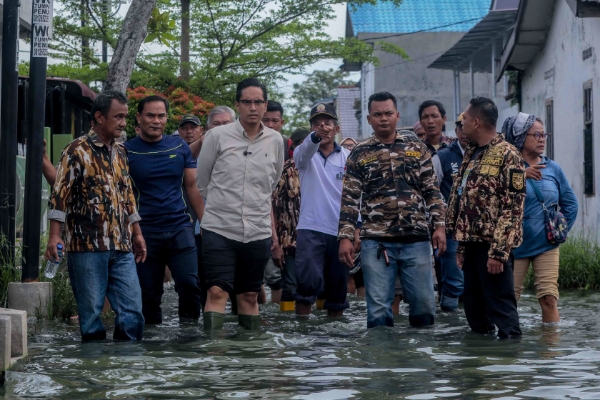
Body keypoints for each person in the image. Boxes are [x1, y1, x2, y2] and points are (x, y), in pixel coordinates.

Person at [338, 92, 446, 328]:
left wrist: (439, 226)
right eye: (377, 115)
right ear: (369, 119)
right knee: (378, 310)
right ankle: (381, 359)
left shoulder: (417, 148)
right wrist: (346, 237)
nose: (383, 119)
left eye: (388, 113)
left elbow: (432, 191)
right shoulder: (359, 153)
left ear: (397, 116)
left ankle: (421, 359)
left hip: (416, 239)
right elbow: (349, 199)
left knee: (424, 307)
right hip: (376, 242)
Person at [46, 90, 145, 341]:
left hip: (121, 246)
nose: (123, 123)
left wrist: (138, 233)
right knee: (90, 317)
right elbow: (59, 195)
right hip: (87, 246)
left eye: (125, 116)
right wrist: (54, 236)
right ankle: (93, 370)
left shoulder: (121, 152)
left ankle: (126, 370)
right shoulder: (76, 150)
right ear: (99, 117)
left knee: (132, 313)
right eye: (118, 117)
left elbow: (128, 196)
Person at [197, 78, 284, 330]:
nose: (253, 107)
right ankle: (213, 355)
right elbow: (203, 181)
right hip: (220, 228)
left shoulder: (275, 140)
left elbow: (272, 182)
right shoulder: (217, 136)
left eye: (258, 102)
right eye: (247, 102)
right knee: (216, 292)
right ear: (238, 104)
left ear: (265, 105)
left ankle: (249, 357)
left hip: (257, 229)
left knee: (248, 295)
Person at [445, 97, 526, 338]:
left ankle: (508, 366)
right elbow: (465, 200)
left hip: (493, 248)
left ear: (477, 122)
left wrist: (499, 252)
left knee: (502, 311)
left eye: (466, 119)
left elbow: (513, 207)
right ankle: (481, 366)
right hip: (470, 245)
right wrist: (460, 246)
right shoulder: (472, 152)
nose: (462, 123)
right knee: (475, 312)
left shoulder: (508, 154)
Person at [124, 96, 204, 325]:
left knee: (190, 284)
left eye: (161, 116)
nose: (156, 121)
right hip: (144, 232)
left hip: (180, 227)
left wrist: (205, 224)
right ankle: (152, 347)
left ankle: (189, 337)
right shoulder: (126, 151)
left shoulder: (179, 146)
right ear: (138, 118)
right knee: (148, 294)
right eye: (150, 115)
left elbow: (192, 187)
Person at [502, 113, 578, 323]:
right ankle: (508, 349)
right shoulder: (506, 168)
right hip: (513, 245)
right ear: (519, 136)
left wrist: (558, 231)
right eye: (536, 134)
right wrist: (519, 176)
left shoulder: (553, 168)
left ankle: (550, 351)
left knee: (549, 299)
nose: (542, 139)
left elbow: (570, 204)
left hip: (546, 244)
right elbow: (493, 199)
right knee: (509, 300)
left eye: (544, 134)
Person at [293, 103, 352, 317]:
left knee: (338, 291)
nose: (323, 128)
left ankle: (335, 339)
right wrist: (315, 138)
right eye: (317, 125)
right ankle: (302, 333)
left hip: (340, 231)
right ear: (311, 130)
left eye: (327, 124)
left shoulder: (348, 157)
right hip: (310, 228)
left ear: (336, 129)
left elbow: (357, 195)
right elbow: (304, 152)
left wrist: (356, 230)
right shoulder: (304, 153)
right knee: (305, 287)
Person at [431, 113, 468, 311]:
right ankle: (450, 326)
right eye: (460, 127)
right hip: (451, 229)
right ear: (456, 130)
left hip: (478, 230)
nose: (464, 132)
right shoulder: (443, 156)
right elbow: (431, 191)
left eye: (467, 126)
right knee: (453, 282)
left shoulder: (485, 154)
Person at [273, 127, 311, 311]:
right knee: (289, 285)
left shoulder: (321, 169)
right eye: (299, 145)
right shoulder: (282, 172)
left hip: (316, 237)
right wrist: (276, 244)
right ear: (292, 147)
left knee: (317, 285)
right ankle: (287, 327)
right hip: (288, 240)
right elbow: (271, 208)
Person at [262, 100, 289, 304]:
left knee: (283, 278)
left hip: (289, 222)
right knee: (257, 278)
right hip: (260, 218)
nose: (270, 125)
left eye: (275, 121)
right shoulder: (249, 146)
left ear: (282, 122)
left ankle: (280, 322)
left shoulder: (290, 147)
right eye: (266, 120)